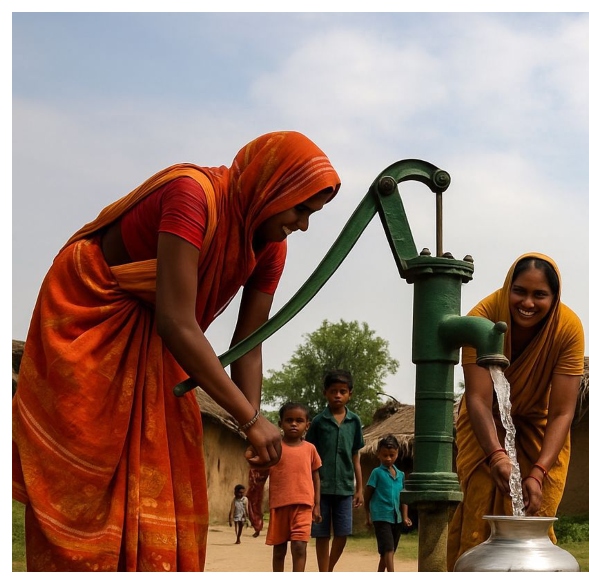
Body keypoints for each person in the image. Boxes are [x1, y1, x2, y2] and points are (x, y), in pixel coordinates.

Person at [12, 131, 341, 571]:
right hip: (92, 316)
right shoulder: (192, 195)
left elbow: (249, 343)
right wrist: (249, 418)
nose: (303, 225)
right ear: (270, 186)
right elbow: (176, 320)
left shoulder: (271, 247)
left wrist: (253, 427)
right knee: (86, 478)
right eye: (301, 209)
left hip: (160, 337)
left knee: (167, 474)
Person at [446, 252, 585, 569]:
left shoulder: (568, 330)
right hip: (484, 427)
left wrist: (538, 473)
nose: (528, 302)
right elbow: (479, 399)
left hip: (539, 425)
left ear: (554, 297)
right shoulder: (482, 318)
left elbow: (563, 411)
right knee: (478, 518)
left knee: (537, 514)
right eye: (520, 290)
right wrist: (496, 455)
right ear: (508, 285)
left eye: (540, 295)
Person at [306, 369, 366, 571]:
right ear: (325, 393)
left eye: (342, 391)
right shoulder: (318, 422)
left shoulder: (355, 421)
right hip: (320, 487)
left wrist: (359, 489)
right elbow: (309, 456)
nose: (338, 395)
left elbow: (355, 456)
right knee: (321, 533)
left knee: (342, 533)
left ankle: (328, 570)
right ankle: (324, 573)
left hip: (345, 487)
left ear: (350, 393)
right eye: (333, 391)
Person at [266, 403, 322, 572]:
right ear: (280, 423)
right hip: (279, 506)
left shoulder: (310, 449)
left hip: (303, 505)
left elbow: (316, 476)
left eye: (299, 420)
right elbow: (260, 472)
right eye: (289, 420)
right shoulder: (274, 448)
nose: (294, 424)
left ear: (307, 425)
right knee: (279, 550)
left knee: (299, 547)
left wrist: (317, 504)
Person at [364, 435, 412, 572]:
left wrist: (405, 516)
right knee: (388, 549)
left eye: (392, 455)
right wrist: (368, 517)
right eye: (385, 455)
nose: (388, 458)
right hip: (381, 516)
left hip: (396, 517)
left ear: (397, 453)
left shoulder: (401, 475)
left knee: (387, 552)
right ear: (378, 454)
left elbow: (403, 498)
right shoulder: (376, 473)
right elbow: (367, 496)